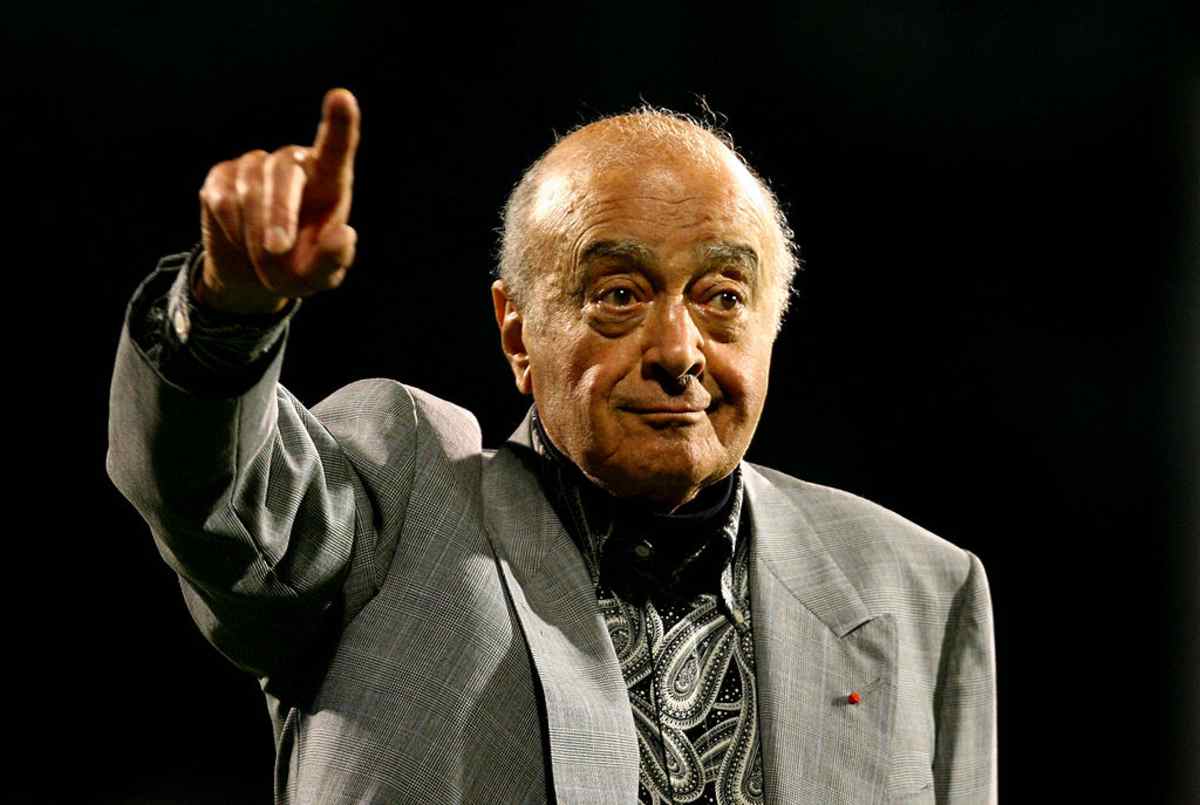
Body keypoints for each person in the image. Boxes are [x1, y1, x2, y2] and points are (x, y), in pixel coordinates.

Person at [107, 88, 997, 804]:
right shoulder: (400, 493)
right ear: (517, 330)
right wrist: (226, 310)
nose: (678, 351)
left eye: (723, 295)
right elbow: (217, 494)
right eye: (617, 293)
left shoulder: (916, 587)